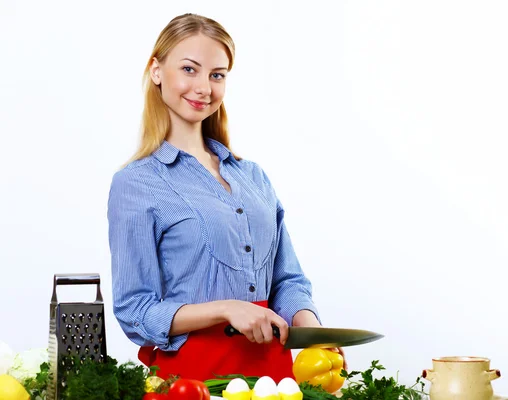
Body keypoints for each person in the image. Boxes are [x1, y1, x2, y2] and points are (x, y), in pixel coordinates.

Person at [107, 13, 343, 382]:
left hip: (275, 381)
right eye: (189, 69)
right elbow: (135, 309)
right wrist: (226, 309)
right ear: (156, 70)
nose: (204, 87)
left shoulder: (253, 177)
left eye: (217, 75)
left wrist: (313, 331)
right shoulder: (136, 183)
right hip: (193, 381)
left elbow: (289, 281)